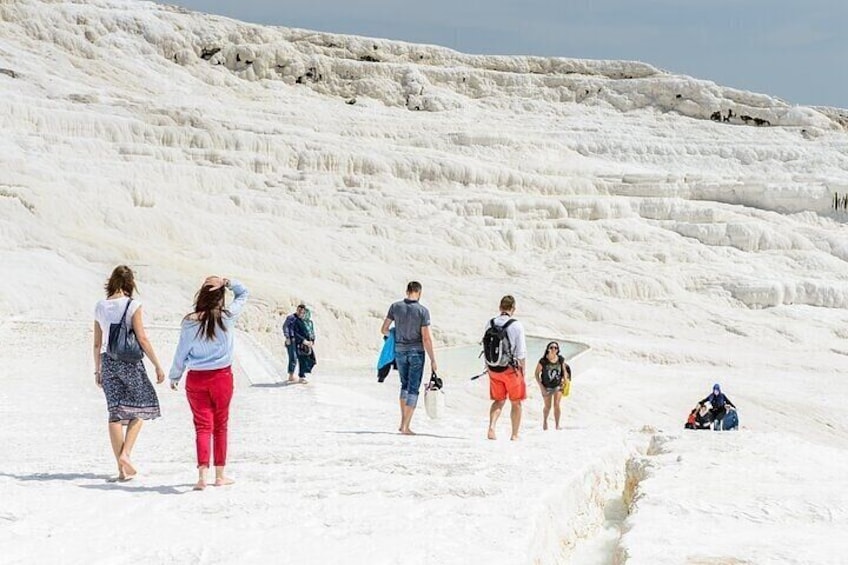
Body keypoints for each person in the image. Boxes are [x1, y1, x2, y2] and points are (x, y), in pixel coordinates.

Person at [169, 276, 249, 491]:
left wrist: (175, 375)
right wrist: (228, 282)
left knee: (202, 426)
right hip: (222, 377)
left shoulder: (189, 320)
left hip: (196, 378)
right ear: (220, 296)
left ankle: (202, 476)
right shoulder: (227, 316)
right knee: (220, 425)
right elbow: (244, 293)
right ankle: (220, 475)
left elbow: (181, 351)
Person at [93, 265, 165, 482]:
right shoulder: (133, 305)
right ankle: (126, 454)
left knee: (115, 414)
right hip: (130, 363)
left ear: (111, 281)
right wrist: (157, 365)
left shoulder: (100, 306)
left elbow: (97, 343)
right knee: (141, 407)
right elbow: (142, 338)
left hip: (108, 361)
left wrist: (97, 370)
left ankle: (121, 470)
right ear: (130, 283)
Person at [380, 281, 438, 435]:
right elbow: (426, 338)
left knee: (404, 386)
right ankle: (405, 426)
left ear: (407, 291)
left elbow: (384, 330)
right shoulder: (422, 311)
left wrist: (395, 335)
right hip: (416, 352)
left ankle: (402, 423)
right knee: (413, 389)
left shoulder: (395, 307)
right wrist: (433, 359)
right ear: (419, 293)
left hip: (399, 351)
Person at [484, 295, 527, 440]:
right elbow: (521, 353)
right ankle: (514, 434)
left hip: (493, 369)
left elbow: (486, 347)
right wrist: (523, 372)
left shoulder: (489, 323)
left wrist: (488, 367)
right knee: (516, 402)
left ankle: (491, 428)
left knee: (499, 400)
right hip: (510, 370)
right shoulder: (516, 325)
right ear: (513, 308)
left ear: (500, 307)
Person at [534, 341, 571, 431]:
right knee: (547, 406)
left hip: (558, 385)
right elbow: (536, 374)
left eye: (556, 348)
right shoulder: (543, 361)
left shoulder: (560, 359)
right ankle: (545, 421)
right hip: (546, 386)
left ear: (558, 350)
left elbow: (564, 370)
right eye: (551, 347)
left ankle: (557, 425)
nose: (554, 349)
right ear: (548, 349)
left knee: (557, 404)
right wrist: (541, 386)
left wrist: (565, 380)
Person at [292, 306, 316, 383]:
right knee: (302, 359)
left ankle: (303, 374)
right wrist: (303, 341)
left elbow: (311, 332)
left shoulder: (308, 322)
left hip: (308, 343)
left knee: (312, 359)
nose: (302, 314)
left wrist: (312, 341)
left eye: (303, 313)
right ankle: (301, 376)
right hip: (300, 343)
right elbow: (295, 333)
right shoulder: (296, 321)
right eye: (301, 312)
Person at [282, 305, 305, 383]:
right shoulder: (291, 317)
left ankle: (301, 376)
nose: (300, 313)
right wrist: (287, 337)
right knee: (293, 358)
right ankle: (291, 376)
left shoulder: (302, 320)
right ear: (297, 310)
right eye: (299, 311)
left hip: (299, 341)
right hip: (291, 341)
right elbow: (285, 327)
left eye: (302, 312)